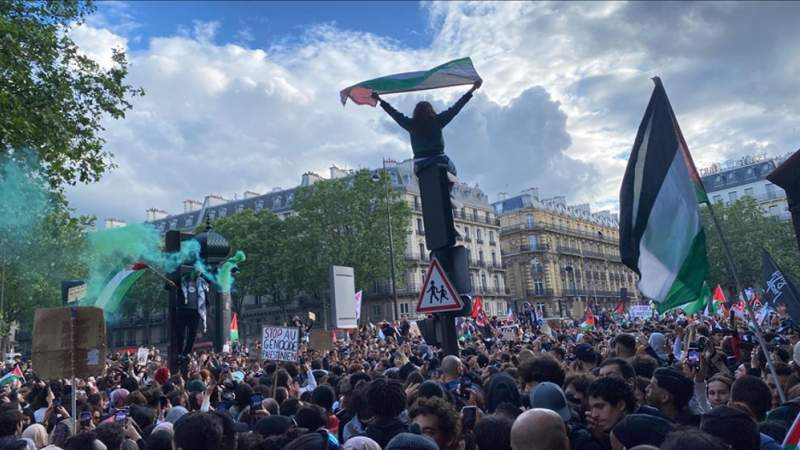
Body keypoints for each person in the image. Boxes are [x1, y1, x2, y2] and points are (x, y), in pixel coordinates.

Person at [586, 376, 636, 449]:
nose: (593, 415)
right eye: (591, 408)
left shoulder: (642, 436)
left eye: (600, 407)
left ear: (621, 405)